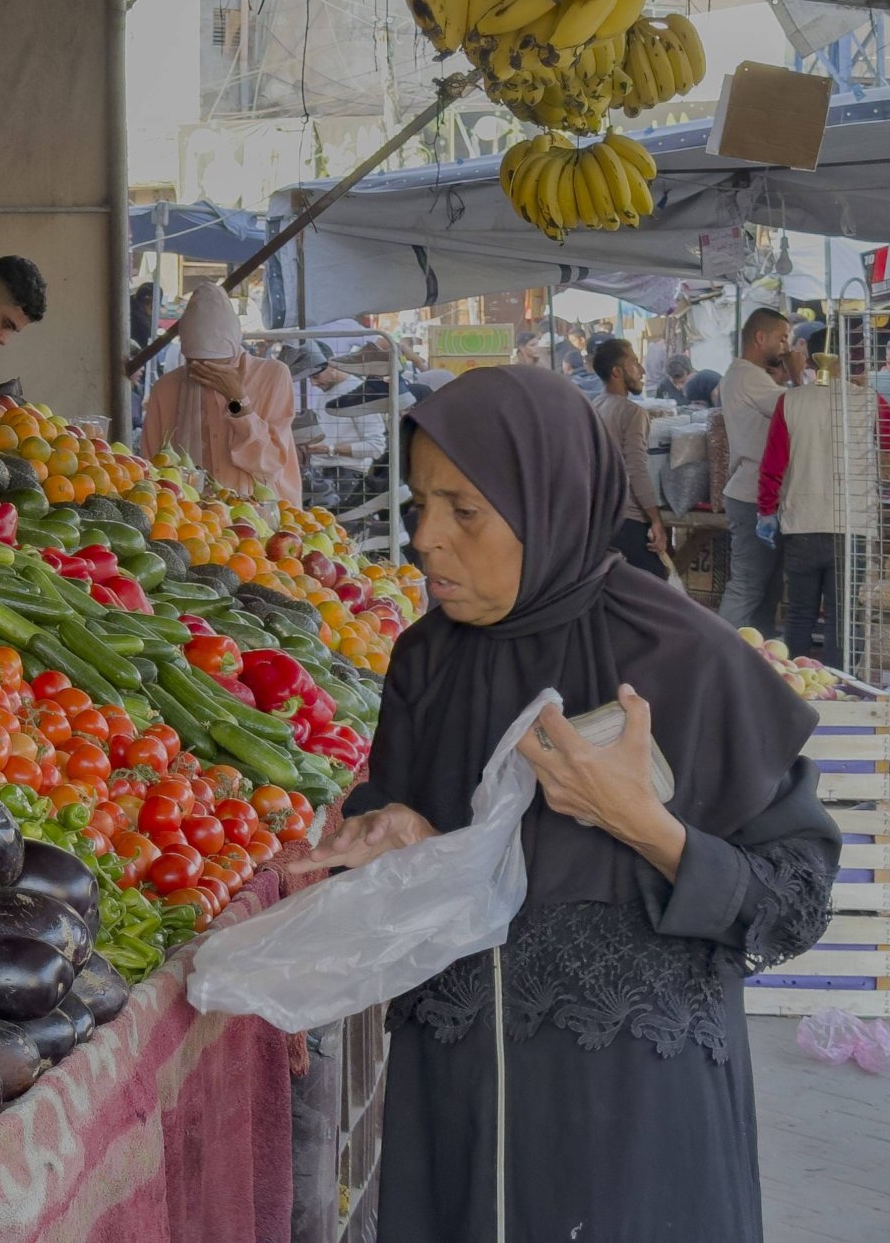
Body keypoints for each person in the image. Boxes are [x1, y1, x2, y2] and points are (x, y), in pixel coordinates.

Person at [299, 366, 836, 1243]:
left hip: (633, 1134)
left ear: (549, 498)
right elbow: (403, 841)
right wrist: (400, 840)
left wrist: (647, 826)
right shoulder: (427, 662)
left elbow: (797, 900)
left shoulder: (687, 661)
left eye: (463, 510)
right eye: (418, 504)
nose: (426, 539)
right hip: (458, 1115)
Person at [756, 337, 880, 673]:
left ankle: (796, 688)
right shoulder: (870, 402)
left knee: (799, 615)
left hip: (801, 525)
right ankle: (839, 688)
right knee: (843, 621)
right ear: (854, 359)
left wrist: (766, 510)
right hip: (853, 529)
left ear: (812, 357)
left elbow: (773, 465)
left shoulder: (791, 401)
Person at [138, 283, 299, 503]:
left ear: (233, 349)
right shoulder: (167, 388)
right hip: (192, 519)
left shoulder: (272, 376)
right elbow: (154, 467)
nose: (207, 373)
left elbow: (268, 464)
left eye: (216, 364)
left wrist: (236, 399)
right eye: (197, 364)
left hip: (263, 513)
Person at [719, 308, 808, 633]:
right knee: (747, 586)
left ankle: (757, 659)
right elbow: (799, 411)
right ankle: (720, 655)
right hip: (753, 497)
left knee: (767, 590)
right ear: (760, 338)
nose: (786, 346)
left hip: (758, 495)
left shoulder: (749, 376)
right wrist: (798, 375)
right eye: (782, 337)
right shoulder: (747, 376)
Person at [591, 338, 667, 577]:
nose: (642, 370)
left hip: (602, 518)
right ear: (617, 372)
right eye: (634, 362)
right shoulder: (633, 412)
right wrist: (655, 519)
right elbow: (636, 469)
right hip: (630, 519)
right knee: (656, 587)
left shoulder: (595, 406)